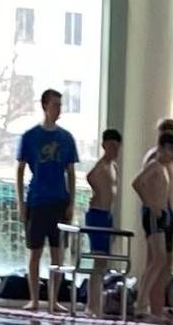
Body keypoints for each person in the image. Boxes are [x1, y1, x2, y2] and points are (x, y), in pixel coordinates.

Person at [16, 89, 78, 311]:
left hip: (58, 201)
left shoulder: (66, 138)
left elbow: (71, 173)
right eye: (55, 105)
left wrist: (71, 202)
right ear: (44, 106)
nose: (58, 109)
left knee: (57, 254)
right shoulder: (30, 136)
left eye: (60, 105)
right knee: (34, 252)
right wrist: (21, 203)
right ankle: (34, 298)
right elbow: (20, 170)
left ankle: (53, 300)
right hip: (37, 200)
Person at [134, 131, 173, 319]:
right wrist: (150, 204)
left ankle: (142, 302)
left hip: (160, 216)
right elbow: (137, 183)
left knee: (159, 261)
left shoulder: (163, 167)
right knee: (159, 259)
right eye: (172, 151)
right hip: (153, 216)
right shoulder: (154, 164)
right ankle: (141, 302)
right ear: (162, 148)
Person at [87, 128, 125, 263]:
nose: (115, 150)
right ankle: (94, 284)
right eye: (112, 146)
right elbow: (89, 177)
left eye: (117, 147)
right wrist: (98, 192)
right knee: (99, 257)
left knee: (104, 260)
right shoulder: (101, 166)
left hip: (107, 214)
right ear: (104, 145)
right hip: (97, 214)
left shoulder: (113, 167)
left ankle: (99, 284)